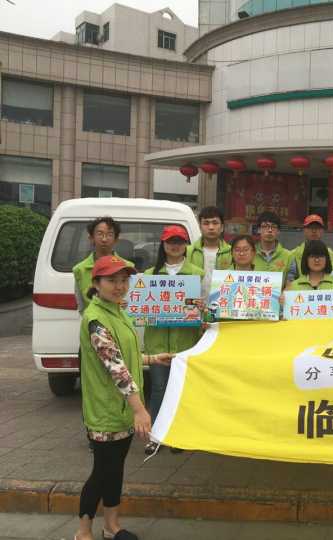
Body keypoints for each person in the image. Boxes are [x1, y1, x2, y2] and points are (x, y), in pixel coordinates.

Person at [75, 255, 172, 540]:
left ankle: (111, 526)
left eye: (123, 280)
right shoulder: (96, 320)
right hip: (106, 412)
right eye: (112, 280)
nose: (119, 286)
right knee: (102, 472)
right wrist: (141, 410)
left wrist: (152, 358)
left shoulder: (118, 311)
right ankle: (83, 531)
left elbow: (123, 355)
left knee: (115, 470)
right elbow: (116, 368)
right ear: (96, 283)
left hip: (121, 411)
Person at [143, 225, 204, 456]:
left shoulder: (196, 273)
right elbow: (140, 307)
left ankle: (179, 435)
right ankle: (156, 436)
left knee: (181, 390)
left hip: (185, 343)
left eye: (179, 241)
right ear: (163, 244)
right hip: (157, 343)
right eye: (171, 241)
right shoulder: (149, 275)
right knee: (158, 388)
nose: (175, 246)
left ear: (186, 245)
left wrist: (201, 307)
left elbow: (205, 307)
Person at [73, 217, 134, 314]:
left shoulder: (128, 267)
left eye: (109, 234)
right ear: (91, 238)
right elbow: (81, 307)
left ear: (116, 239)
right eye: (100, 234)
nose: (104, 239)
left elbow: (132, 303)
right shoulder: (80, 269)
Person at [186, 206, 232, 297]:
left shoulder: (231, 252)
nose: (211, 227)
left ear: (222, 227)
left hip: (222, 303)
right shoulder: (188, 251)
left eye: (215, 223)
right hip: (194, 304)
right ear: (200, 227)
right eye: (206, 223)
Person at [286, 214, 333, 283]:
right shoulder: (293, 254)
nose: (314, 231)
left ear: (322, 231)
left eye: (317, 228)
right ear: (304, 230)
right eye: (310, 227)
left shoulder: (332, 255)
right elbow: (290, 281)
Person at [253, 211, 293, 281]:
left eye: (273, 227)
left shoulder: (288, 256)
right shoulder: (250, 253)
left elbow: (290, 282)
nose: (270, 230)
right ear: (258, 230)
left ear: (278, 231)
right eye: (265, 226)